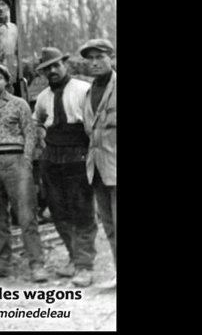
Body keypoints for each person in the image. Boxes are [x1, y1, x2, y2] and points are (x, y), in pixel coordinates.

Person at [0, 63, 48, 283]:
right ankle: (2, 263)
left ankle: (37, 264)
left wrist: (26, 161)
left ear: (6, 81)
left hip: (16, 160)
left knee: (26, 214)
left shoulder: (19, 104)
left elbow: (30, 134)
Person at [33, 47, 97, 287]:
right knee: (59, 212)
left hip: (78, 154)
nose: (52, 71)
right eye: (47, 68)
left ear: (65, 64)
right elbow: (36, 121)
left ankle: (84, 266)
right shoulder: (42, 97)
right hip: (52, 157)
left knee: (82, 212)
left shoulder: (83, 90)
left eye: (55, 66)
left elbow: (94, 124)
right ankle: (73, 258)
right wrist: (40, 139)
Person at [79, 39, 116, 289]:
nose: (94, 62)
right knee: (110, 226)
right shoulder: (89, 92)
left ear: (111, 58)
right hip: (98, 170)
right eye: (89, 58)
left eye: (99, 57)